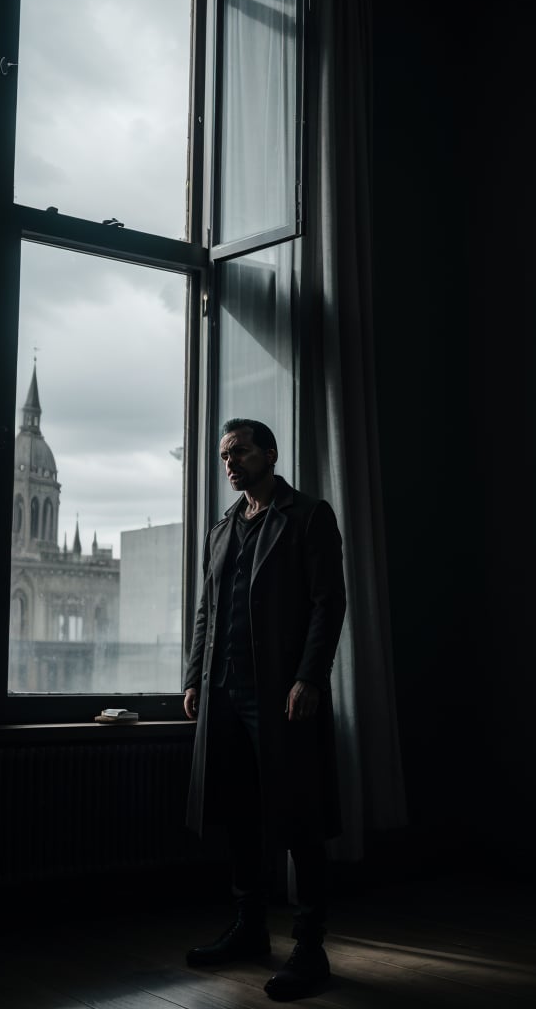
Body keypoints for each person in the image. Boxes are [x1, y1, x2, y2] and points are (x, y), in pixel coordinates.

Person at [183, 418, 346, 1002]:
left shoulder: (308, 516)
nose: (230, 462)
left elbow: (329, 604)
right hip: (222, 693)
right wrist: (194, 677)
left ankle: (310, 945)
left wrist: (310, 677)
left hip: (281, 694)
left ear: (270, 455)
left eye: (241, 452)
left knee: (299, 815)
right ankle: (250, 928)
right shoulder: (222, 529)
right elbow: (208, 608)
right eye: (225, 455)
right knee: (237, 814)